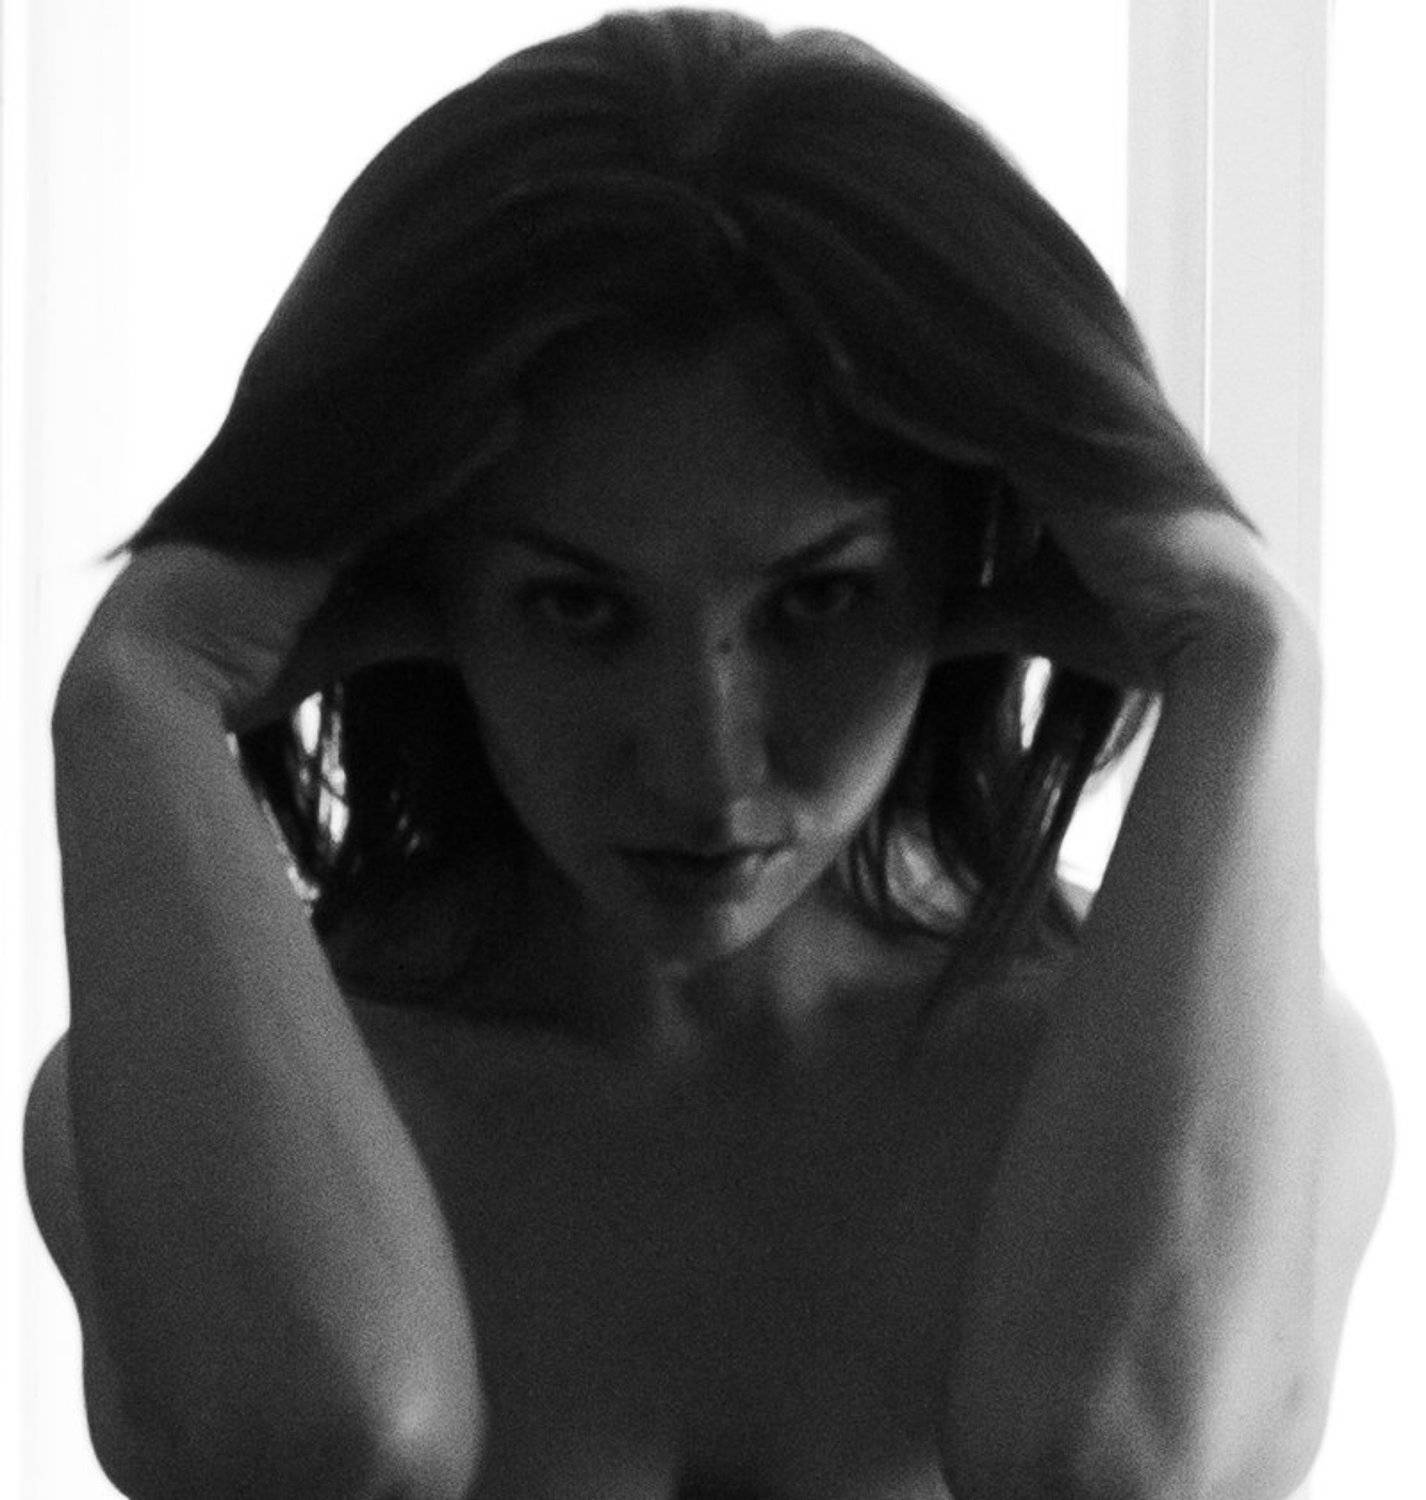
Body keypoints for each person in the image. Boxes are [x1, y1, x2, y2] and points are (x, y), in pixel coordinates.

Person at [22, 9, 1393, 1498]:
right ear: (410, 584)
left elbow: (1121, 1466)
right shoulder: (174, 1095)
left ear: (974, 559)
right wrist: (137, 695)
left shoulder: (1255, 1081)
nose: (704, 766)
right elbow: (313, 1453)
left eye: (815, 601)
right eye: (578, 607)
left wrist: (1249, 657)